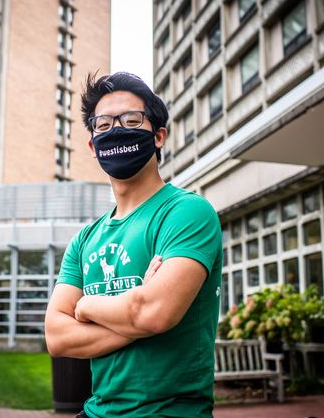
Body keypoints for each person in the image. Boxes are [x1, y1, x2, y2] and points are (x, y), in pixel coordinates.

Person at [44, 72, 223, 417]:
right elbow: (57, 337)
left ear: (158, 136)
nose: (116, 130)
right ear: (93, 147)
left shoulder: (187, 212)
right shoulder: (85, 239)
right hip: (96, 412)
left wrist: (86, 307)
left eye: (130, 120)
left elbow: (152, 313)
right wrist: (136, 315)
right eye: (103, 124)